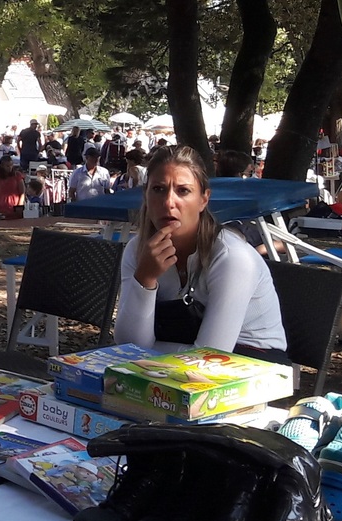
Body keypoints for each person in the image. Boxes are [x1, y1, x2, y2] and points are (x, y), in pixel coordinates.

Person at [113, 146, 286, 361]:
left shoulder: (232, 257)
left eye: (183, 191)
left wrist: (149, 353)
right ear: (146, 195)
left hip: (251, 364)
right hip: (175, 366)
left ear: (203, 199)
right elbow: (130, 346)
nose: (169, 203)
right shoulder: (138, 251)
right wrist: (145, 279)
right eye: (158, 189)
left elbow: (210, 355)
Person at [0, 154, 25, 219]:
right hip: (2, 208)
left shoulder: (17, 175)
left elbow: (22, 192)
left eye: (11, 165)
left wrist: (19, 206)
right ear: (2, 166)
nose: (10, 168)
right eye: (7, 166)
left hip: (15, 207)